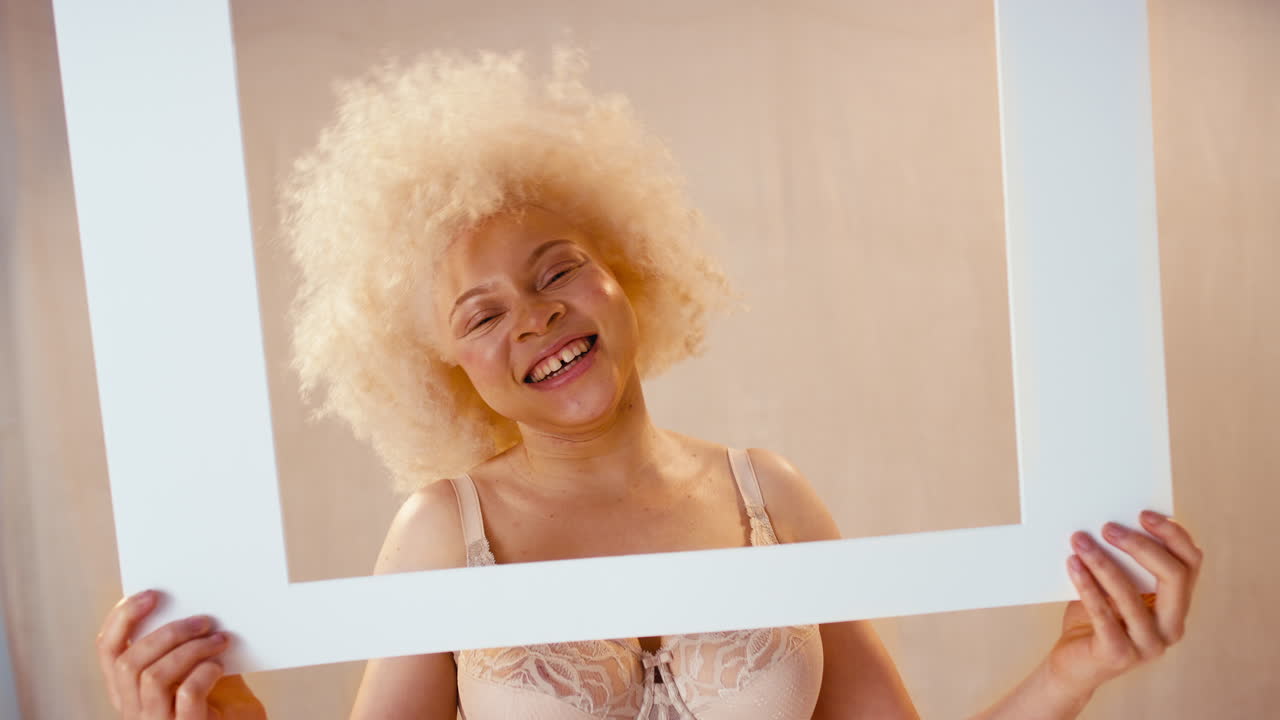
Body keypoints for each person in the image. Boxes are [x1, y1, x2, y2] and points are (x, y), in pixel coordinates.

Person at [93, 49, 1202, 720]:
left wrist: (1072, 671)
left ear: (628, 273)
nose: (533, 316)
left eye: (557, 269)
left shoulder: (770, 498)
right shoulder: (443, 532)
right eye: (481, 315)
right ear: (446, 370)